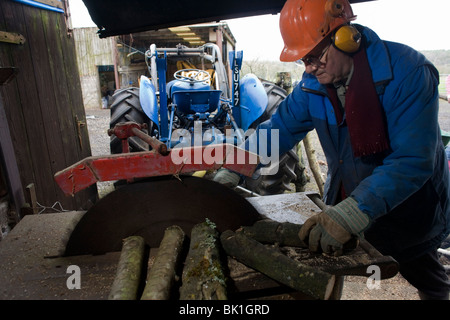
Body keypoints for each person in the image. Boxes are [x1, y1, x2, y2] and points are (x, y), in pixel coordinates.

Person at [214, 0, 450, 299]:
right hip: (351, 195)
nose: (309, 67)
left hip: (409, 206)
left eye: (315, 56)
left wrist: (353, 211)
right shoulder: (312, 85)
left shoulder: (407, 73)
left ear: (346, 38)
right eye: (303, 59)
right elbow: (279, 129)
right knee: (355, 272)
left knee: (425, 275)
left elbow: (412, 159)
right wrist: (235, 165)